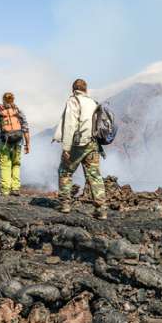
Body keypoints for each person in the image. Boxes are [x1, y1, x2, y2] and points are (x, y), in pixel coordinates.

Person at [52, 78, 107, 219]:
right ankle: (101, 209)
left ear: (73, 89)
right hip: (93, 144)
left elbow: (70, 125)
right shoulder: (93, 102)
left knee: (65, 171)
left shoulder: (73, 101)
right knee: (94, 176)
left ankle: (65, 204)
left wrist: (66, 148)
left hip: (78, 145)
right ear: (86, 89)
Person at [0, 92, 30, 196]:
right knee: (16, 164)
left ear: (3, 100)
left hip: (3, 141)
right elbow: (25, 128)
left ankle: (6, 190)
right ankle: (15, 188)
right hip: (18, 141)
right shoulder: (18, 111)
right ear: (13, 100)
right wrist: (28, 144)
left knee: (5, 164)